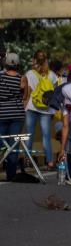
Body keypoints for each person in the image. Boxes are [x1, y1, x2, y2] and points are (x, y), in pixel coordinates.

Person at [24, 51, 57, 171]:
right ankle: (49, 162)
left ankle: (28, 161)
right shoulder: (52, 75)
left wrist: (24, 107)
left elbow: (27, 93)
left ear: (34, 60)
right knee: (46, 136)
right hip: (46, 109)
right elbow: (55, 94)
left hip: (32, 107)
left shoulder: (29, 74)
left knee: (29, 135)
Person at [0, 54, 29, 182]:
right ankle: (11, 175)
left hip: (2, 113)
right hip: (17, 114)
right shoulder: (22, 78)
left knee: (1, 144)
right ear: (18, 64)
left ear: (5, 63)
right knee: (14, 145)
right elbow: (25, 96)